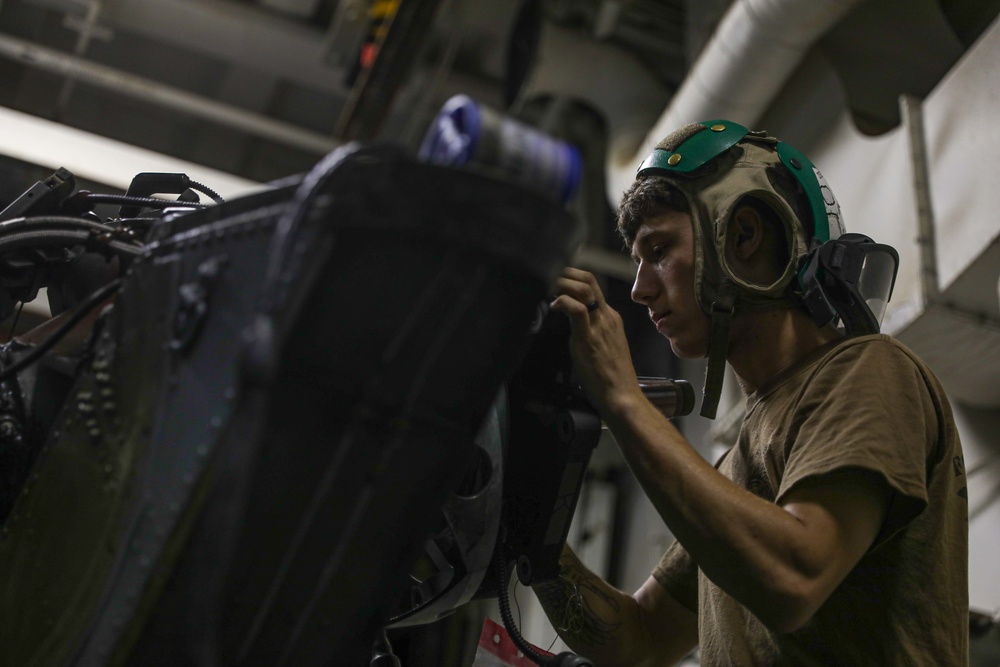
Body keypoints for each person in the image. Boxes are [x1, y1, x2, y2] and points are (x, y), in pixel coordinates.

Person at [533, 120, 968, 665]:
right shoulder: (736, 465)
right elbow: (639, 638)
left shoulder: (870, 369)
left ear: (742, 236)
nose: (639, 289)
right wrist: (533, 534)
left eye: (659, 249)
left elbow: (795, 579)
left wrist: (621, 398)